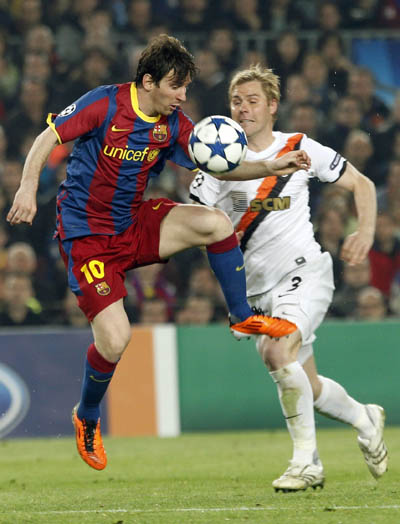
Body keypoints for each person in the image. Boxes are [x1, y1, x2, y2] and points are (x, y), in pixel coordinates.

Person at [7, 35, 309, 471]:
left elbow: (216, 162)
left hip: (133, 223)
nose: (182, 96)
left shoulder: (173, 123)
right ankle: (87, 416)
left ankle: (241, 314)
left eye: (185, 87)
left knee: (215, 223)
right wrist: (27, 188)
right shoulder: (104, 105)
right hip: (87, 237)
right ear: (148, 81)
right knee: (115, 339)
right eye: (175, 87)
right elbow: (45, 139)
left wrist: (269, 166)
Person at [190, 64, 388, 492]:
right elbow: (201, 230)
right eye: (236, 102)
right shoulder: (217, 163)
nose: (243, 110)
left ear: (273, 106)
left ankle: (307, 463)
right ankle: (364, 417)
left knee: (279, 353)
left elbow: (363, 184)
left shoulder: (299, 146)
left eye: (252, 101)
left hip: (304, 272)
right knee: (306, 383)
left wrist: (366, 231)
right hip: (258, 291)